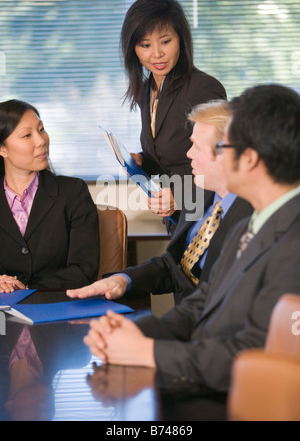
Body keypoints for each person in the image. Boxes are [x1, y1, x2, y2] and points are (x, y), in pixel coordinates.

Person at [83, 84, 300, 392]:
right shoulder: (250, 225)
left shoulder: (293, 240)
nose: (190, 157)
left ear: (249, 158)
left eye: (225, 147)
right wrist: (131, 331)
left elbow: (254, 354)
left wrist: (147, 352)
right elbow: (202, 302)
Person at [67, 100, 252, 302]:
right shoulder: (202, 195)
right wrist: (123, 280)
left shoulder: (256, 219)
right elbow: (175, 267)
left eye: (197, 147)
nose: (189, 154)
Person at [121, 0, 226, 231]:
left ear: (181, 39)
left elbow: (222, 163)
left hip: (206, 219)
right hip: (177, 220)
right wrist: (141, 162)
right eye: (145, 45)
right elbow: (167, 156)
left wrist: (179, 196)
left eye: (165, 41)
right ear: (133, 49)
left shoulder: (203, 88)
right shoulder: (147, 90)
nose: (156, 53)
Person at [0, 99, 100, 292]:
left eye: (41, 129)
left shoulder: (74, 192)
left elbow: (83, 270)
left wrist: (27, 289)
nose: (41, 141)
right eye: (27, 135)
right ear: (2, 149)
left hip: (58, 307)